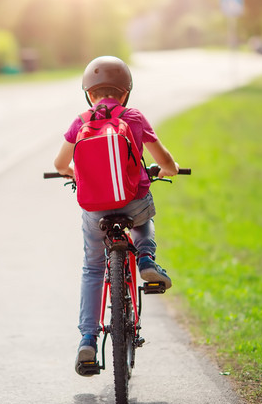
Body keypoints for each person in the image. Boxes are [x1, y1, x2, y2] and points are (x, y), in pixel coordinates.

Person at [52, 56, 180, 376]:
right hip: (132, 203)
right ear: (125, 93)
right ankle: (147, 259)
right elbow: (163, 158)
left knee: (93, 269)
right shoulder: (133, 117)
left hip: (95, 211)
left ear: (89, 94)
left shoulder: (81, 121)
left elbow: (59, 163)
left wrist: (75, 176)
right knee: (143, 218)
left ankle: (88, 340)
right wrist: (170, 169)